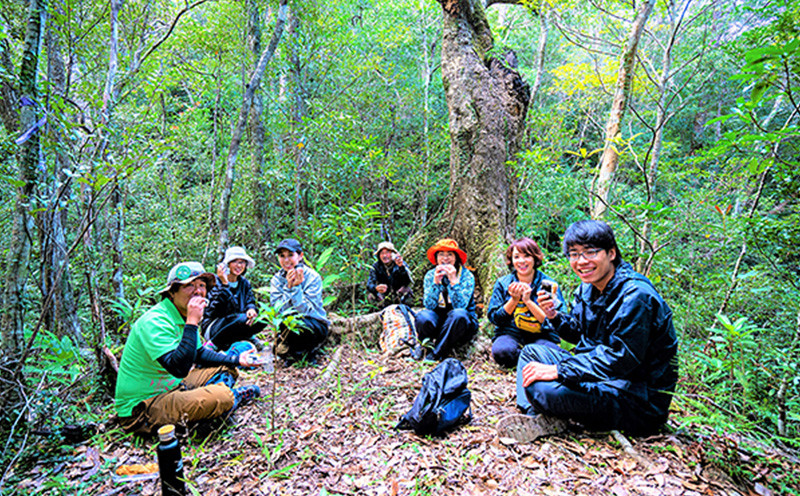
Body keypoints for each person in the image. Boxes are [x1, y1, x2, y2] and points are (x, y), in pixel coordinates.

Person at [497, 221, 678, 442]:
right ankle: (537, 415)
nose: (582, 262)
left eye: (590, 252)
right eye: (574, 254)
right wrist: (553, 315)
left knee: (544, 389)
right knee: (531, 353)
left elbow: (620, 359)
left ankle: (544, 412)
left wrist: (560, 369)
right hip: (600, 375)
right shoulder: (588, 287)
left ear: (611, 253)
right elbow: (577, 333)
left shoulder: (636, 296)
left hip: (635, 396)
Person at [115, 262, 261, 435]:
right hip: (143, 406)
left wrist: (237, 360)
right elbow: (179, 368)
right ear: (171, 292)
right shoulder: (155, 320)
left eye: (201, 285)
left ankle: (212, 406)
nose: (198, 291)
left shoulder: (181, 314)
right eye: (189, 286)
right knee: (221, 396)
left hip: (174, 387)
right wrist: (192, 322)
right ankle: (229, 398)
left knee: (227, 366)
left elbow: (199, 354)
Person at [487, 238, 564, 368]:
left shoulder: (547, 284)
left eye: (527, 256)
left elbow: (555, 322)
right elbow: (495, 318)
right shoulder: (503, 283)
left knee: (552, 353)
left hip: (541, 334)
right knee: (502, 352)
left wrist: (528, 301)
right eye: (516, 257)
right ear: (511, 260)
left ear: (535, 258)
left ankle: (530, 359)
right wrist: (514, 300)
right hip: (510, 333)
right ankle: (531, 359)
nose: (521, 261)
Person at [415, 239, 479, 361]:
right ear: (436, 257)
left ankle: (437, 352)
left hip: (460, 323)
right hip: (439, 319)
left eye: (450, 254)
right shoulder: (430, 275)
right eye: (441, 254)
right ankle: (426, 347)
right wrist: (436, 283)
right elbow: (429, 305)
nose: (445, 258)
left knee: (459, 314)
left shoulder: (466, 276)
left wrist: (453, 281)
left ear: (456, 257)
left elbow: (460, 305)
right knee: (423, 316)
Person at [269, 238, 330, 364]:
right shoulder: (276, 280)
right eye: (282, 256)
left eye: (290, 255)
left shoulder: (312, 277)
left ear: (300, 256)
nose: (286, 261)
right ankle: (292, 353)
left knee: (303, 326)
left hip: (313, 323)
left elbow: (305, 310)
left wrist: (296, 288)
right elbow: (278, 310)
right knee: (287, 325)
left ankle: (309, 352)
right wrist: (288, 287)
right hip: (288, 324)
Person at [203, 246, 267, 351]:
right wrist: (224, 285)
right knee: (240, 319)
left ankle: (246, 337)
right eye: (235, 262)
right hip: (216, 327)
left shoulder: (244, 283)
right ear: (227, 264)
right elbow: (215, 308)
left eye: (242, 262)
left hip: (238, 322)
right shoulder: (215, 282)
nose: (239, 265)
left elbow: (249, 300)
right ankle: (212, 345)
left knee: (263, 319)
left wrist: (251, 309)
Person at [366, 241, 413, 307]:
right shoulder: (376, 267)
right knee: (371, 296)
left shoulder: (400, 263)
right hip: (384, 296)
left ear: (392, 254)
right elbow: (369, 284)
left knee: (406, 290)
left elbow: (407, 281)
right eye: (382, 253)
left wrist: (401, 268)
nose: (384, 256)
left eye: (387, 252)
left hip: (399, 294)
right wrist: (376, 288)